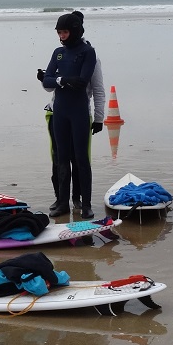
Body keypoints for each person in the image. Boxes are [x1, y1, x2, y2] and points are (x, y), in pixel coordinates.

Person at [38, 11, 105, 210]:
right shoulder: (59, 52)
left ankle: (81, 201)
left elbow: (96, 88)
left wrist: (99, 118)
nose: (62, 36)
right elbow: (48, 84)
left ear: (76, 30)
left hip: (80, 112)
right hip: (57, 111)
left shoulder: (90, 54)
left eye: (65, 32)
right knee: (60, 158)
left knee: (80, 158)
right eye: (59, 32)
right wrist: (58, 80)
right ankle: (61, 200)